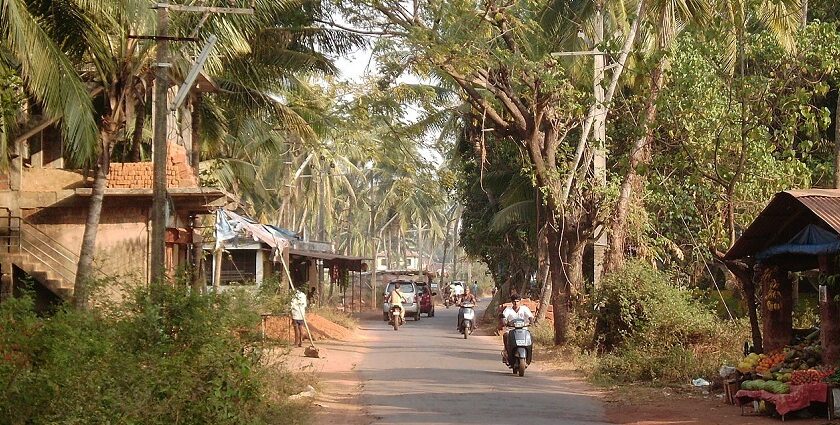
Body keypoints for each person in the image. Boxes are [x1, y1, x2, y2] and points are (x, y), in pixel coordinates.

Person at [498, 294, 534, 364]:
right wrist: (504, 322)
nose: (516, 303)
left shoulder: (524, 309)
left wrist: (531, 322)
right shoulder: (508, 310)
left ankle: (529, 353)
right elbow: (504, 318)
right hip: (511, 329)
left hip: (524, 329)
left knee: (530, 336)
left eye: (517, 301)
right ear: (512, 302)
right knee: (505, 335)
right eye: (514, 301)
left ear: (520, 301)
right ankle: (506, 351)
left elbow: (530, 316)